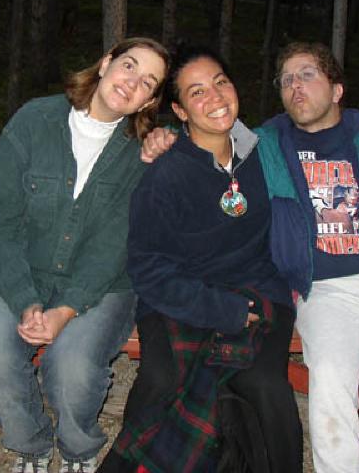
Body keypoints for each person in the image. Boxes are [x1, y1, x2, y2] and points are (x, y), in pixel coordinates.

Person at [141, 41, 359, 473]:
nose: (296, 86)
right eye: (287, 79)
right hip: (321, 285)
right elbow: (205, 134)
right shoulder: (265, 140)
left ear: (336, 90)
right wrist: (165, 136)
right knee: (329, 391)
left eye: (308, 74)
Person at [0, 37, 169, 473]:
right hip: (22, 268)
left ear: (149, 100)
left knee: (72, 369)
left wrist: (66, 308)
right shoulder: (35, 119)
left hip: (104, 283)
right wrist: (24, 299)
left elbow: (116, 244)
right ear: (106, 61)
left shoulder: (142, 151)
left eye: (147, 81)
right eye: (129, 66)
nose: (132, 82)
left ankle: (79, 449)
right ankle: (31, 443)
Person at [99, 45, 302, 473]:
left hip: (259, 293)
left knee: (265, 386)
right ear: (180, 109)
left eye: (220, 83)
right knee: (163, 379)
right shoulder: (166, 172)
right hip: (180, 295)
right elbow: (148, 269)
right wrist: (221, 310)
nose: (214, 98)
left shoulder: (266, 151)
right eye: (197, 92)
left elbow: (317, 127)